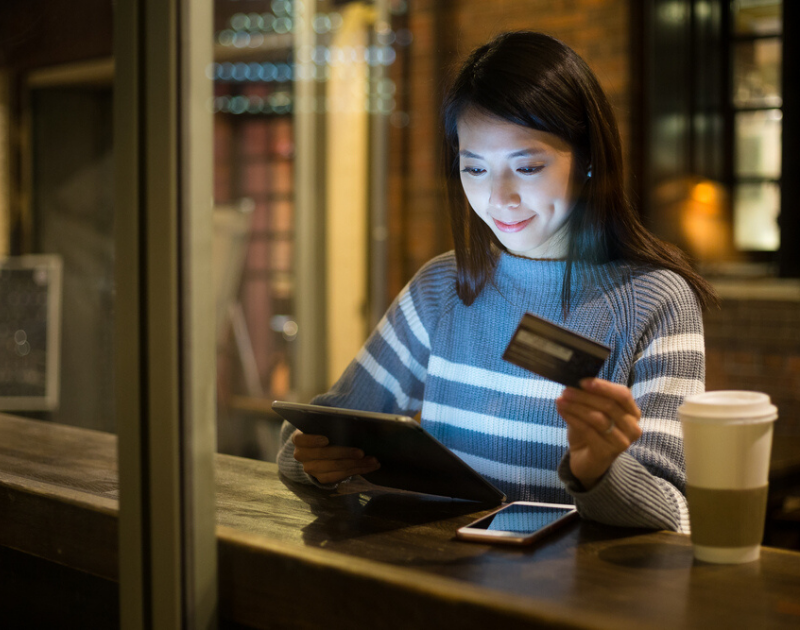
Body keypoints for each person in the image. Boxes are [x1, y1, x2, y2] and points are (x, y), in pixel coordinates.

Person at [277, 31, 716, 532]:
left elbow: (675, 515)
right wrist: (314, 462)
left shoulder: (655, 302)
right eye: (475, 168)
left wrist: (598, 472)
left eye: (527, 166)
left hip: (580, 602)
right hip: (446, 587)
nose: (499, 197)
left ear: (589, 157)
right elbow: (314, 432)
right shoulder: (443, 287)